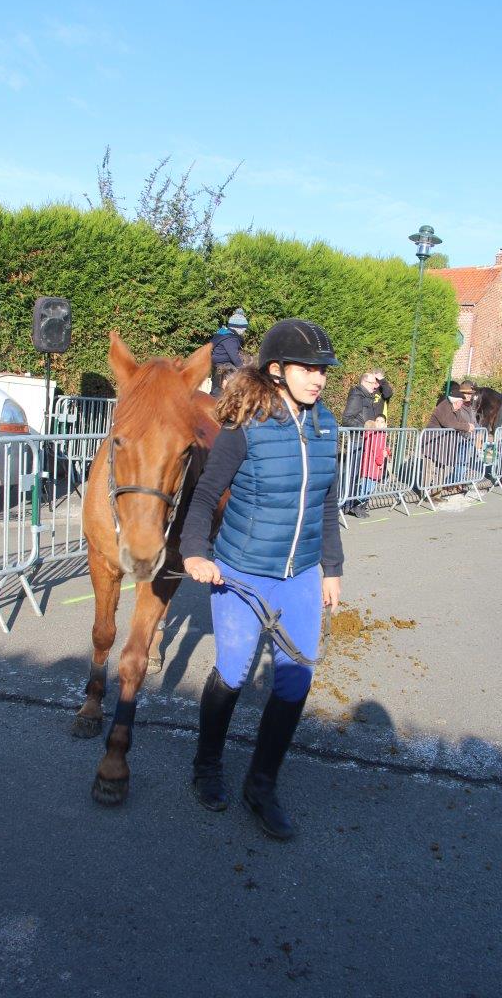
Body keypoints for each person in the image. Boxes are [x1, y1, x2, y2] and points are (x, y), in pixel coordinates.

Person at [180, 318, 343, 841]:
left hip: (299, 575)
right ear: (277, 370)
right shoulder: (244, 426)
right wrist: (194, 553)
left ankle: (261, 785)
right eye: (307, 368)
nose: (317, 378)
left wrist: (332, 570)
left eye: (322, 370)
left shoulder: (327, 427)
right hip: (243, 574)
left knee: (295, 684)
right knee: (231, 673)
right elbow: (205, 496)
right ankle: (207, 766)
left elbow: (326, 502)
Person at [340, 370, 392, 516]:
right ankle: (346, 505)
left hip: (366, 440)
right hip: (358, 440)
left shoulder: (367, 396)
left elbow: (388, 393)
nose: (375, 386)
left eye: (376, 383)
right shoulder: (357, 395)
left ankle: (355, 505)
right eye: (372, 383)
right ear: (364, 382)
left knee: (360, 475)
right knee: (353, 474)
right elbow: (347, 419)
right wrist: (366, 428)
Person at [421, 387, 475, 498]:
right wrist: (466, 427)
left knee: (444, 470)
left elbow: (460, 422)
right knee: (429, 470)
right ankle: (425, 494)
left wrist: (469, 430)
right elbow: (449, 423)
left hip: (445, 445)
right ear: (456, 401)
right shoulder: (443, 407)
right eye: (461, 402)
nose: (462, 404)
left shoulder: (457, 409)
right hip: (432, 443)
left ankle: (435, 494)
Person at [210, 307, 248, 398]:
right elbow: (235, 357)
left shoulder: (223, 335)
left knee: (216, 391)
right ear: (239, 328)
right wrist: (245, 370)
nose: (244, 332)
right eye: (244, 329)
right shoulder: (230, 339)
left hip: (217, 366)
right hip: (224, 366)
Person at [357, 416, 390, 507]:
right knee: (367, 488)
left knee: (368, 488)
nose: (379, 423)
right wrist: (383, 456)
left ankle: (362, 505)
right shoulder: (377, 435)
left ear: (385, 425)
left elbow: (382, 449)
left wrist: (386, 451)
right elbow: (377, 452)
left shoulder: (380, 435)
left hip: (372, 467)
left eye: (382, 422)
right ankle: (358, 506)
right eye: (377, 421)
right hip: (372, 466)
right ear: (374, 422)